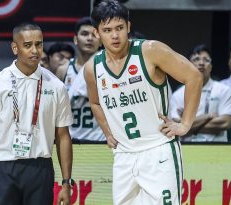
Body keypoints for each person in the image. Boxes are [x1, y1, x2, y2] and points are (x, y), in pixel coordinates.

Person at [84, 1, 203, 204]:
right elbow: (95, 103)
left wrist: (185, 124)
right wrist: (107, 132)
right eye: (107, 30)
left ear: (128, 27)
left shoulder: (150, 50)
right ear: (97, 33)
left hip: (158, 149)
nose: (115, 35)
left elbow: (194, 77)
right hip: (124, 155)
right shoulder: (92, 68)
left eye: (120, 28)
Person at [0, 22, 73, 205]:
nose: (35, 50)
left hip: (40, 167)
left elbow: (63, 136)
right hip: (3, 167)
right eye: (27, 45)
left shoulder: (56, 86)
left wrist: (66, 182)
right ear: (15, 48)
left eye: (39, 44)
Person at [170, 45, 231, 141]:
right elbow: (175, 126)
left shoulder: (223, 89)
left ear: (211, 66)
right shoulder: (178, 94)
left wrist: (186, 126)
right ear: (188, 65)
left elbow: (225, 123)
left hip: (217, 148)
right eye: (196, 59)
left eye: (206, 60)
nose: (201, 63)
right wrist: (208, 117)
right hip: (189, 148)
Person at [56, 16, 102, 90]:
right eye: (84, 34)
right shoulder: (64, 70)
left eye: (94, 35)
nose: (90, 38)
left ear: (101, 42)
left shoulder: (107, 68)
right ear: (75, 39)